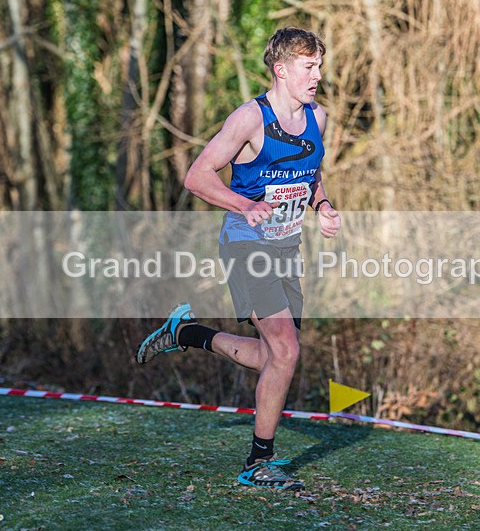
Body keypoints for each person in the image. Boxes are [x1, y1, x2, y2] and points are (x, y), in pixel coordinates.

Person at [136, 26, 340, 491]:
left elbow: (310, 174)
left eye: (320, 66)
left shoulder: (318, 118)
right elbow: (197, 176)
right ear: (281, 69)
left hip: (287, 247)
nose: (317, 76)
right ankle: (258, 463)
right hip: (247, 244)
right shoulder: (249, 120)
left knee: (270, 354)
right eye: (309, 68)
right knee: (287, 351)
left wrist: (323, 206)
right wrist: (245, 205)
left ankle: (186, 333)